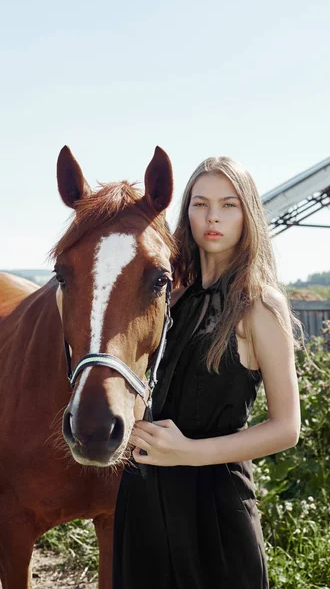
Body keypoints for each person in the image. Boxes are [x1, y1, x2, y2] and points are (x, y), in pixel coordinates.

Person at [112, 156, 302, 589]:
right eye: (200, 204)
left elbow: (287, 428)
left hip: (213, 509)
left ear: (248, 215)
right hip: (142, 499)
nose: (212, 216)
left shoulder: (260, 305)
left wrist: (187, 452)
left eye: (228, 204)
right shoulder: (171, 298)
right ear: (187, 212)